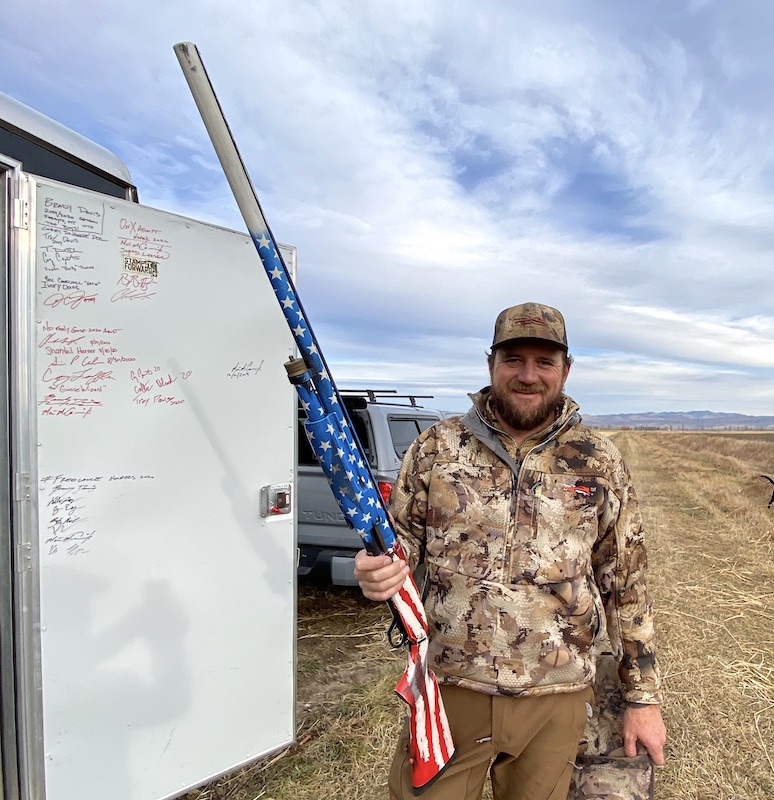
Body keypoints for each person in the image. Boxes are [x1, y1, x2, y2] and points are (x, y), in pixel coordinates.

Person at [354, 302, 667, 800]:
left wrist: (642, 699)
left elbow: (626, 585)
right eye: (513, 359)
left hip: (557, 697)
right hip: (453, 688)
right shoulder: (437, 448)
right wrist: (375, 571)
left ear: (565, 370)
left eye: (544, 362)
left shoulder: (599, 461)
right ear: (491, 364)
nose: (528, 375)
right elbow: (400, 546)